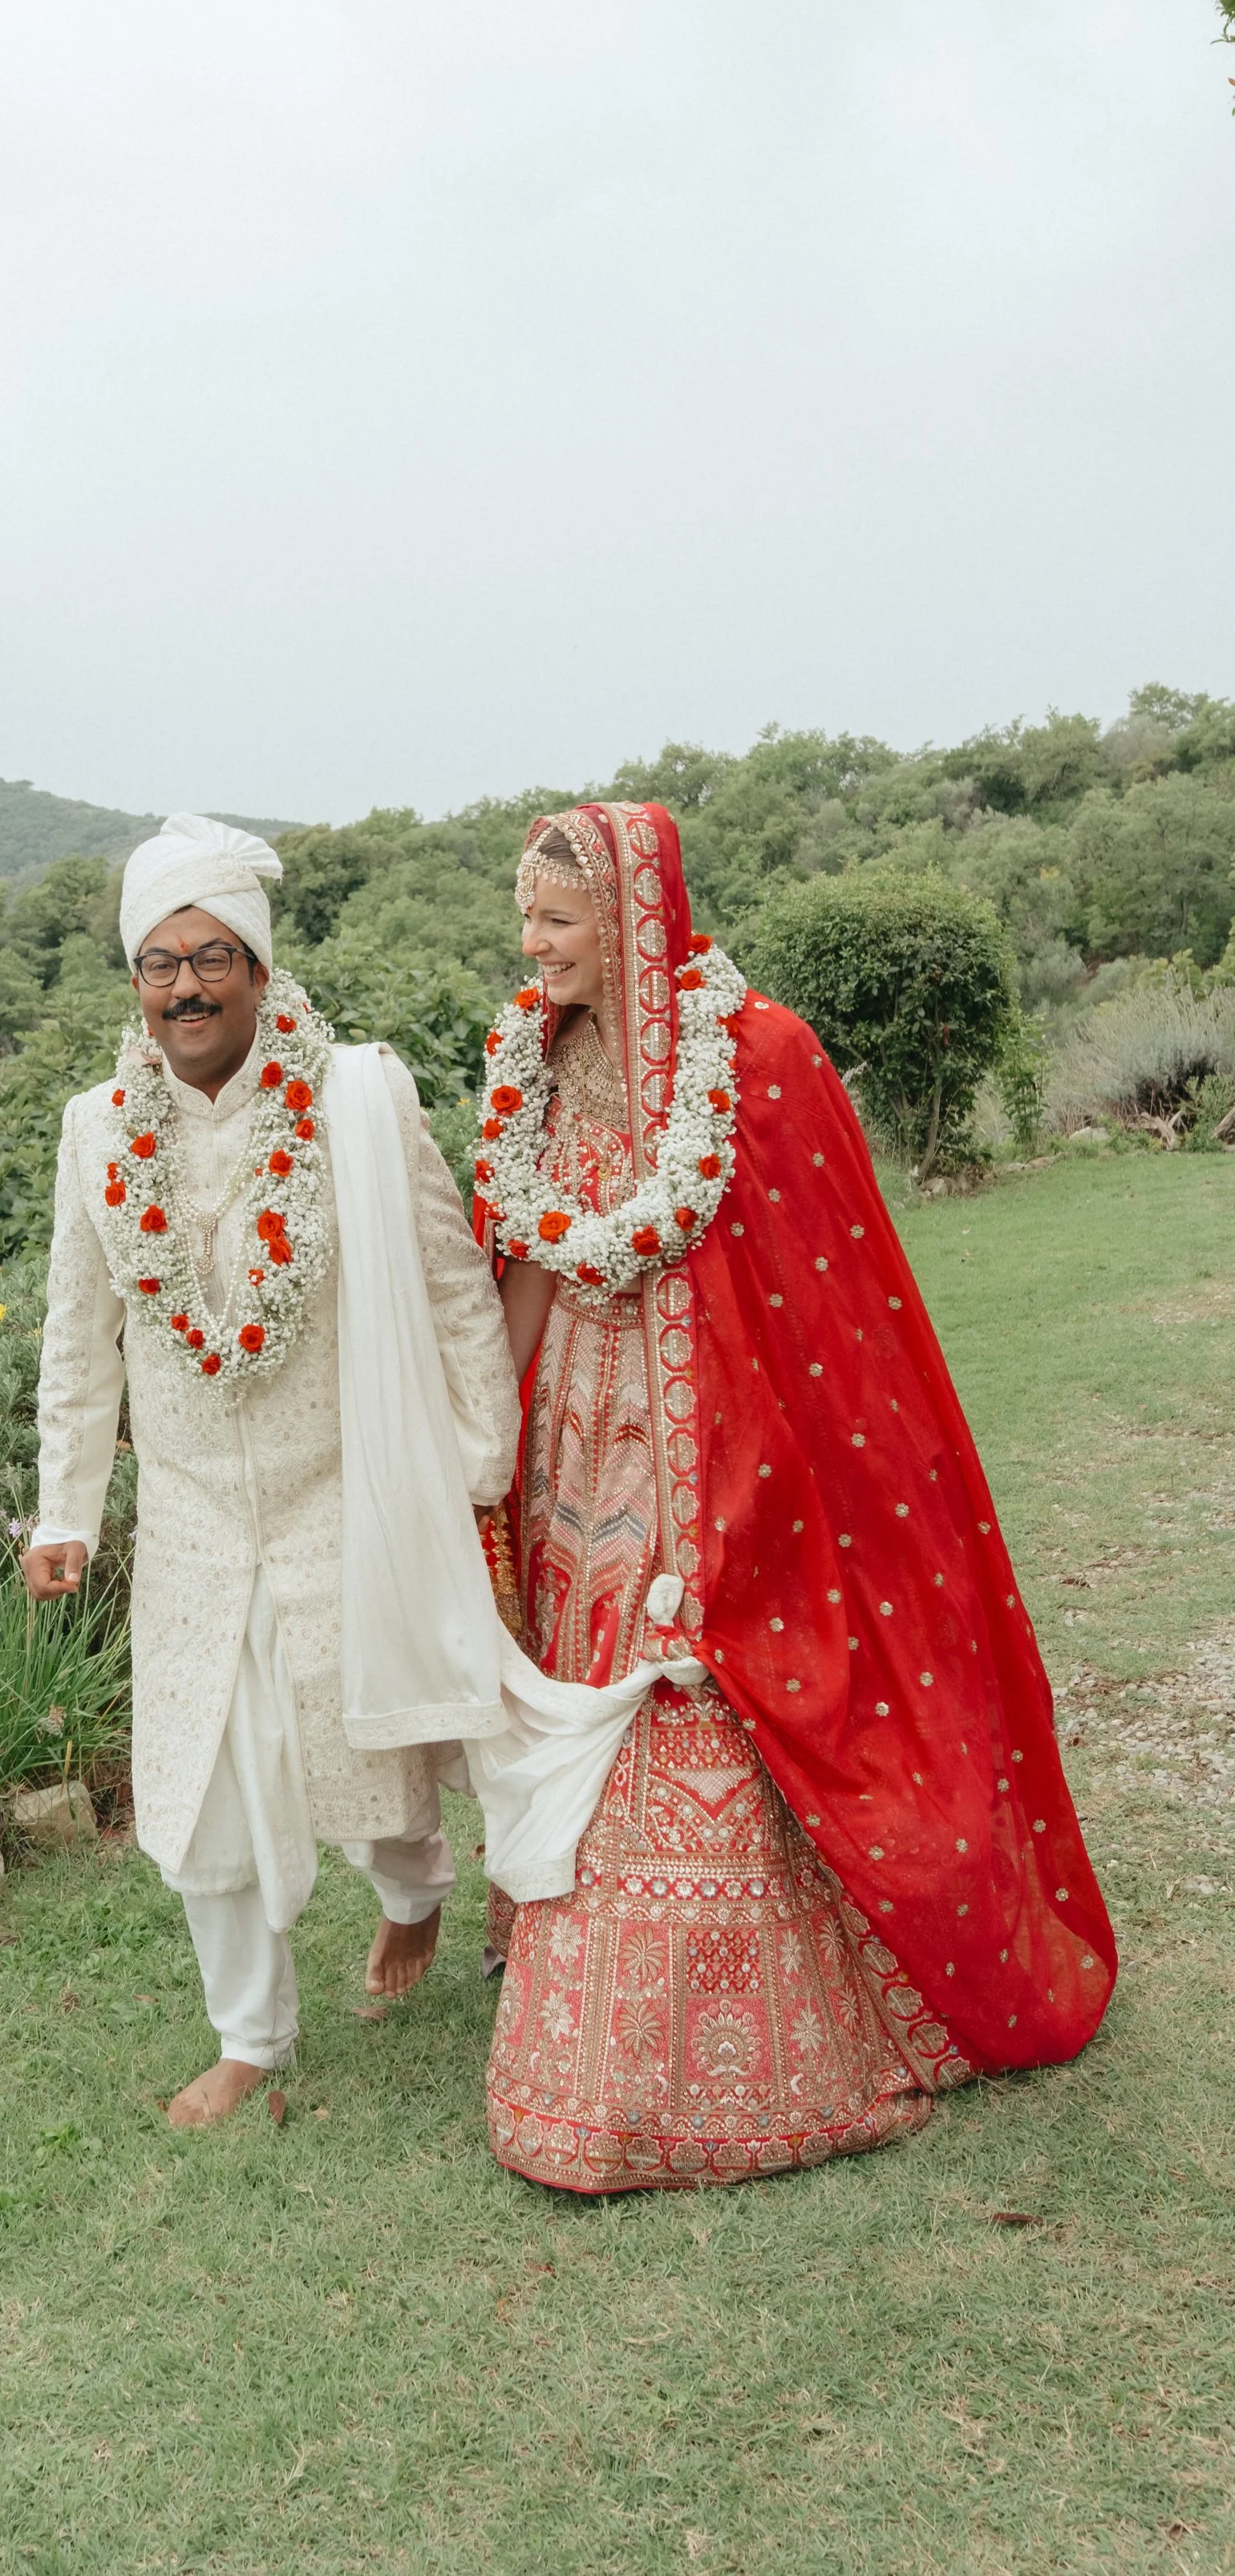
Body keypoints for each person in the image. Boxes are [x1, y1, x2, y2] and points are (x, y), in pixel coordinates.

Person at [472, 802, 1116, 2193]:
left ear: (636, 914)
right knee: (586, 1678)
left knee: (701, 1689)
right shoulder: (535, 1055)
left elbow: (836, 1300)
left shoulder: (756, 1059)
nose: (533, 947)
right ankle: (562, 1968)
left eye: (559, 922)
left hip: (733, 1453)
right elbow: (519, 1256)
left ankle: (709, 2051)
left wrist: (747, 1487)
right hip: (576, 1450)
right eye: (524, 920)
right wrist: (487, 1453)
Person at [23, 812, 521, 2127]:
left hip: (340, 1489)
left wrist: (481, 1455)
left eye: (211, 958)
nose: (184, 986)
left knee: (375, 1746)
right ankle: (251, 2036)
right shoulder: (93, 1132)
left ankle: (414, 1895)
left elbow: (450, 1277)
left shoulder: (357, 1095)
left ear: (255, 965)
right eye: (158, 964)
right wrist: (62, 1510)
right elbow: (80, 1341)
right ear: (134, 981)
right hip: (189, 1511)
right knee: (204, 1776)